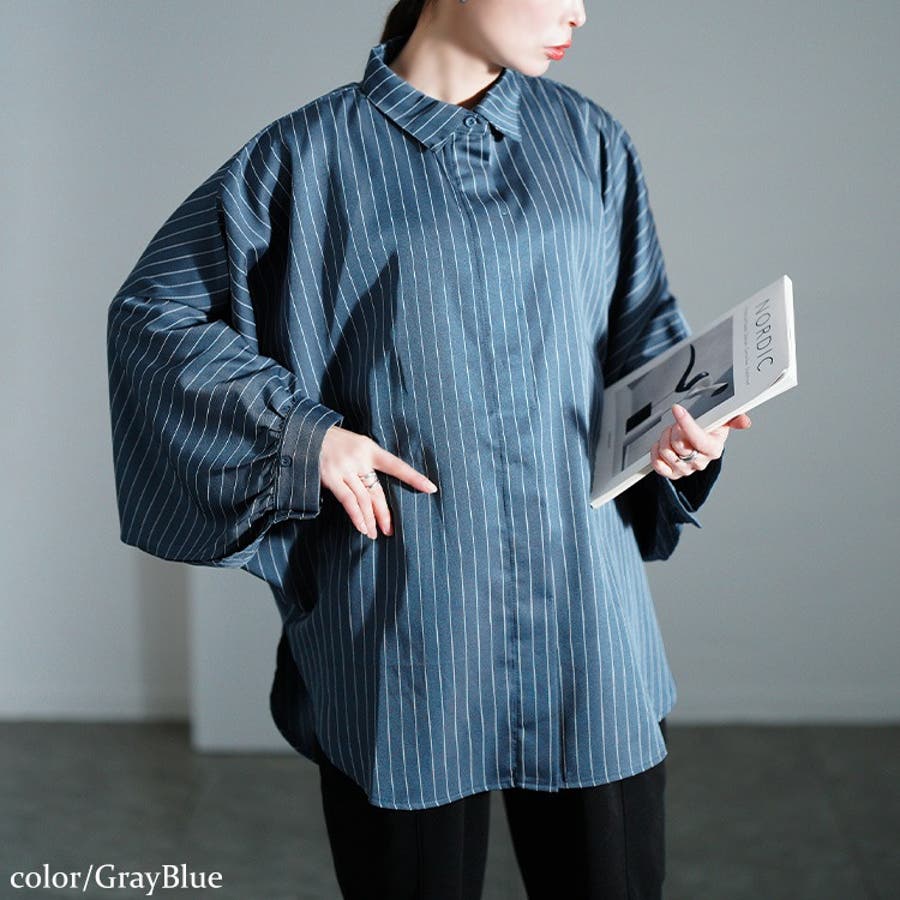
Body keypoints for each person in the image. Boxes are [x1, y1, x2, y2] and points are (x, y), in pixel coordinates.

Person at [105, 1, 752, 897]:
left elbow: (643, 337)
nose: (579, 11)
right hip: (407, 610)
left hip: (584, 606)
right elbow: (153, 316)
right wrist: (303, 436)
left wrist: (679, 436)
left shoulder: (590, 141)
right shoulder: (306, 156)